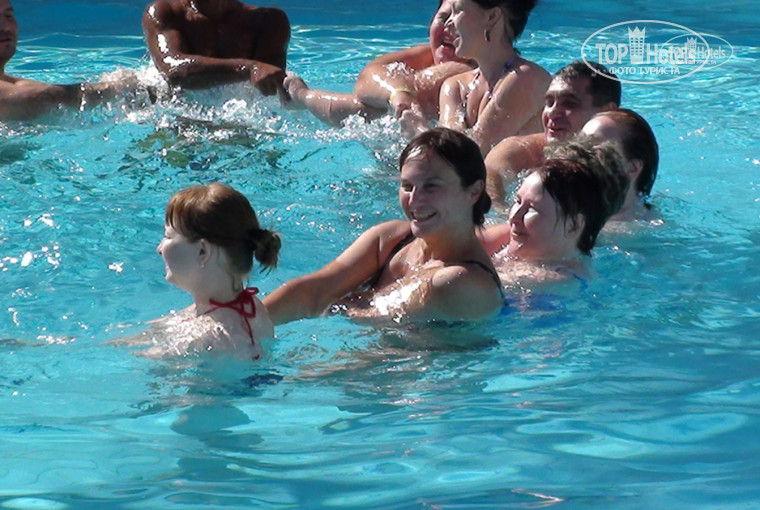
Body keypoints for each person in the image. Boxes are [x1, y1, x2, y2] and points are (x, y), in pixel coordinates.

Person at [264, 128, 504, 325]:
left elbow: (370, 323)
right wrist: (249, 319)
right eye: (407, 186)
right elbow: (315, 291)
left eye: (431, 186)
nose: (414, 201)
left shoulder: (462, 283)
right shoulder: (391, 239)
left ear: (473, 191)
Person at [283, 0, 473, 125]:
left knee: (373, 110)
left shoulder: (473, 73)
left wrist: (305, 97)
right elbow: (370, 74)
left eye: (460, 19)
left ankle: (301, 97)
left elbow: (360, 109)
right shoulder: (424, 54)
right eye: (443, 17)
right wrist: (398, 93)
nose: (449, 27)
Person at [400, 0, 550, 156]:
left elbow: (467, 157)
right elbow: (449, 147)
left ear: (491, 17)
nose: (449, 22)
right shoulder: (454, 86)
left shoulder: (527, 79)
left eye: (458, 11)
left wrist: (419, 132)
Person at [150, 182, 281, 360]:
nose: (159, 248)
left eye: (168, 236)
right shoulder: (251, 306)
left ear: (202, 251)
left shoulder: (205, 339)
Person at [479, 144, 628, 286]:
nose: (514, 217)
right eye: (518, 201)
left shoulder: (559, 278)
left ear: (573, 225)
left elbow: (471, 286)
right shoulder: (515, 235)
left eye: (532, 209)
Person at [484, 61, 620, 203]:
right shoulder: (525, 151)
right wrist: (506, 212)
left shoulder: (626, 163)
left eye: (569, 103)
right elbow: (489, 180)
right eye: (549, 103)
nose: (552, 113)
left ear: (607, 111)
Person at [0, 0, 144, 121]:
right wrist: (116, 89)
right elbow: (38, 100)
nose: (5, 26)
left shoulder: (17, 84)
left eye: (8, 16)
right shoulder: (18, 95)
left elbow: (45, 95)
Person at [142, 0, 290, 95]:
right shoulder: (165, 12)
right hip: (171, 104)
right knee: (132, 87)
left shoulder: (268, 21)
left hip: (232, 116)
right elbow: (173, 70)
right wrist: (249, 68)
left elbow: (268, 88)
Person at [581, 108, 659, 221]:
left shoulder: (654, 227)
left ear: (632, 168)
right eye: (580, 143)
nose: (579, 154)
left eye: (596, 149)